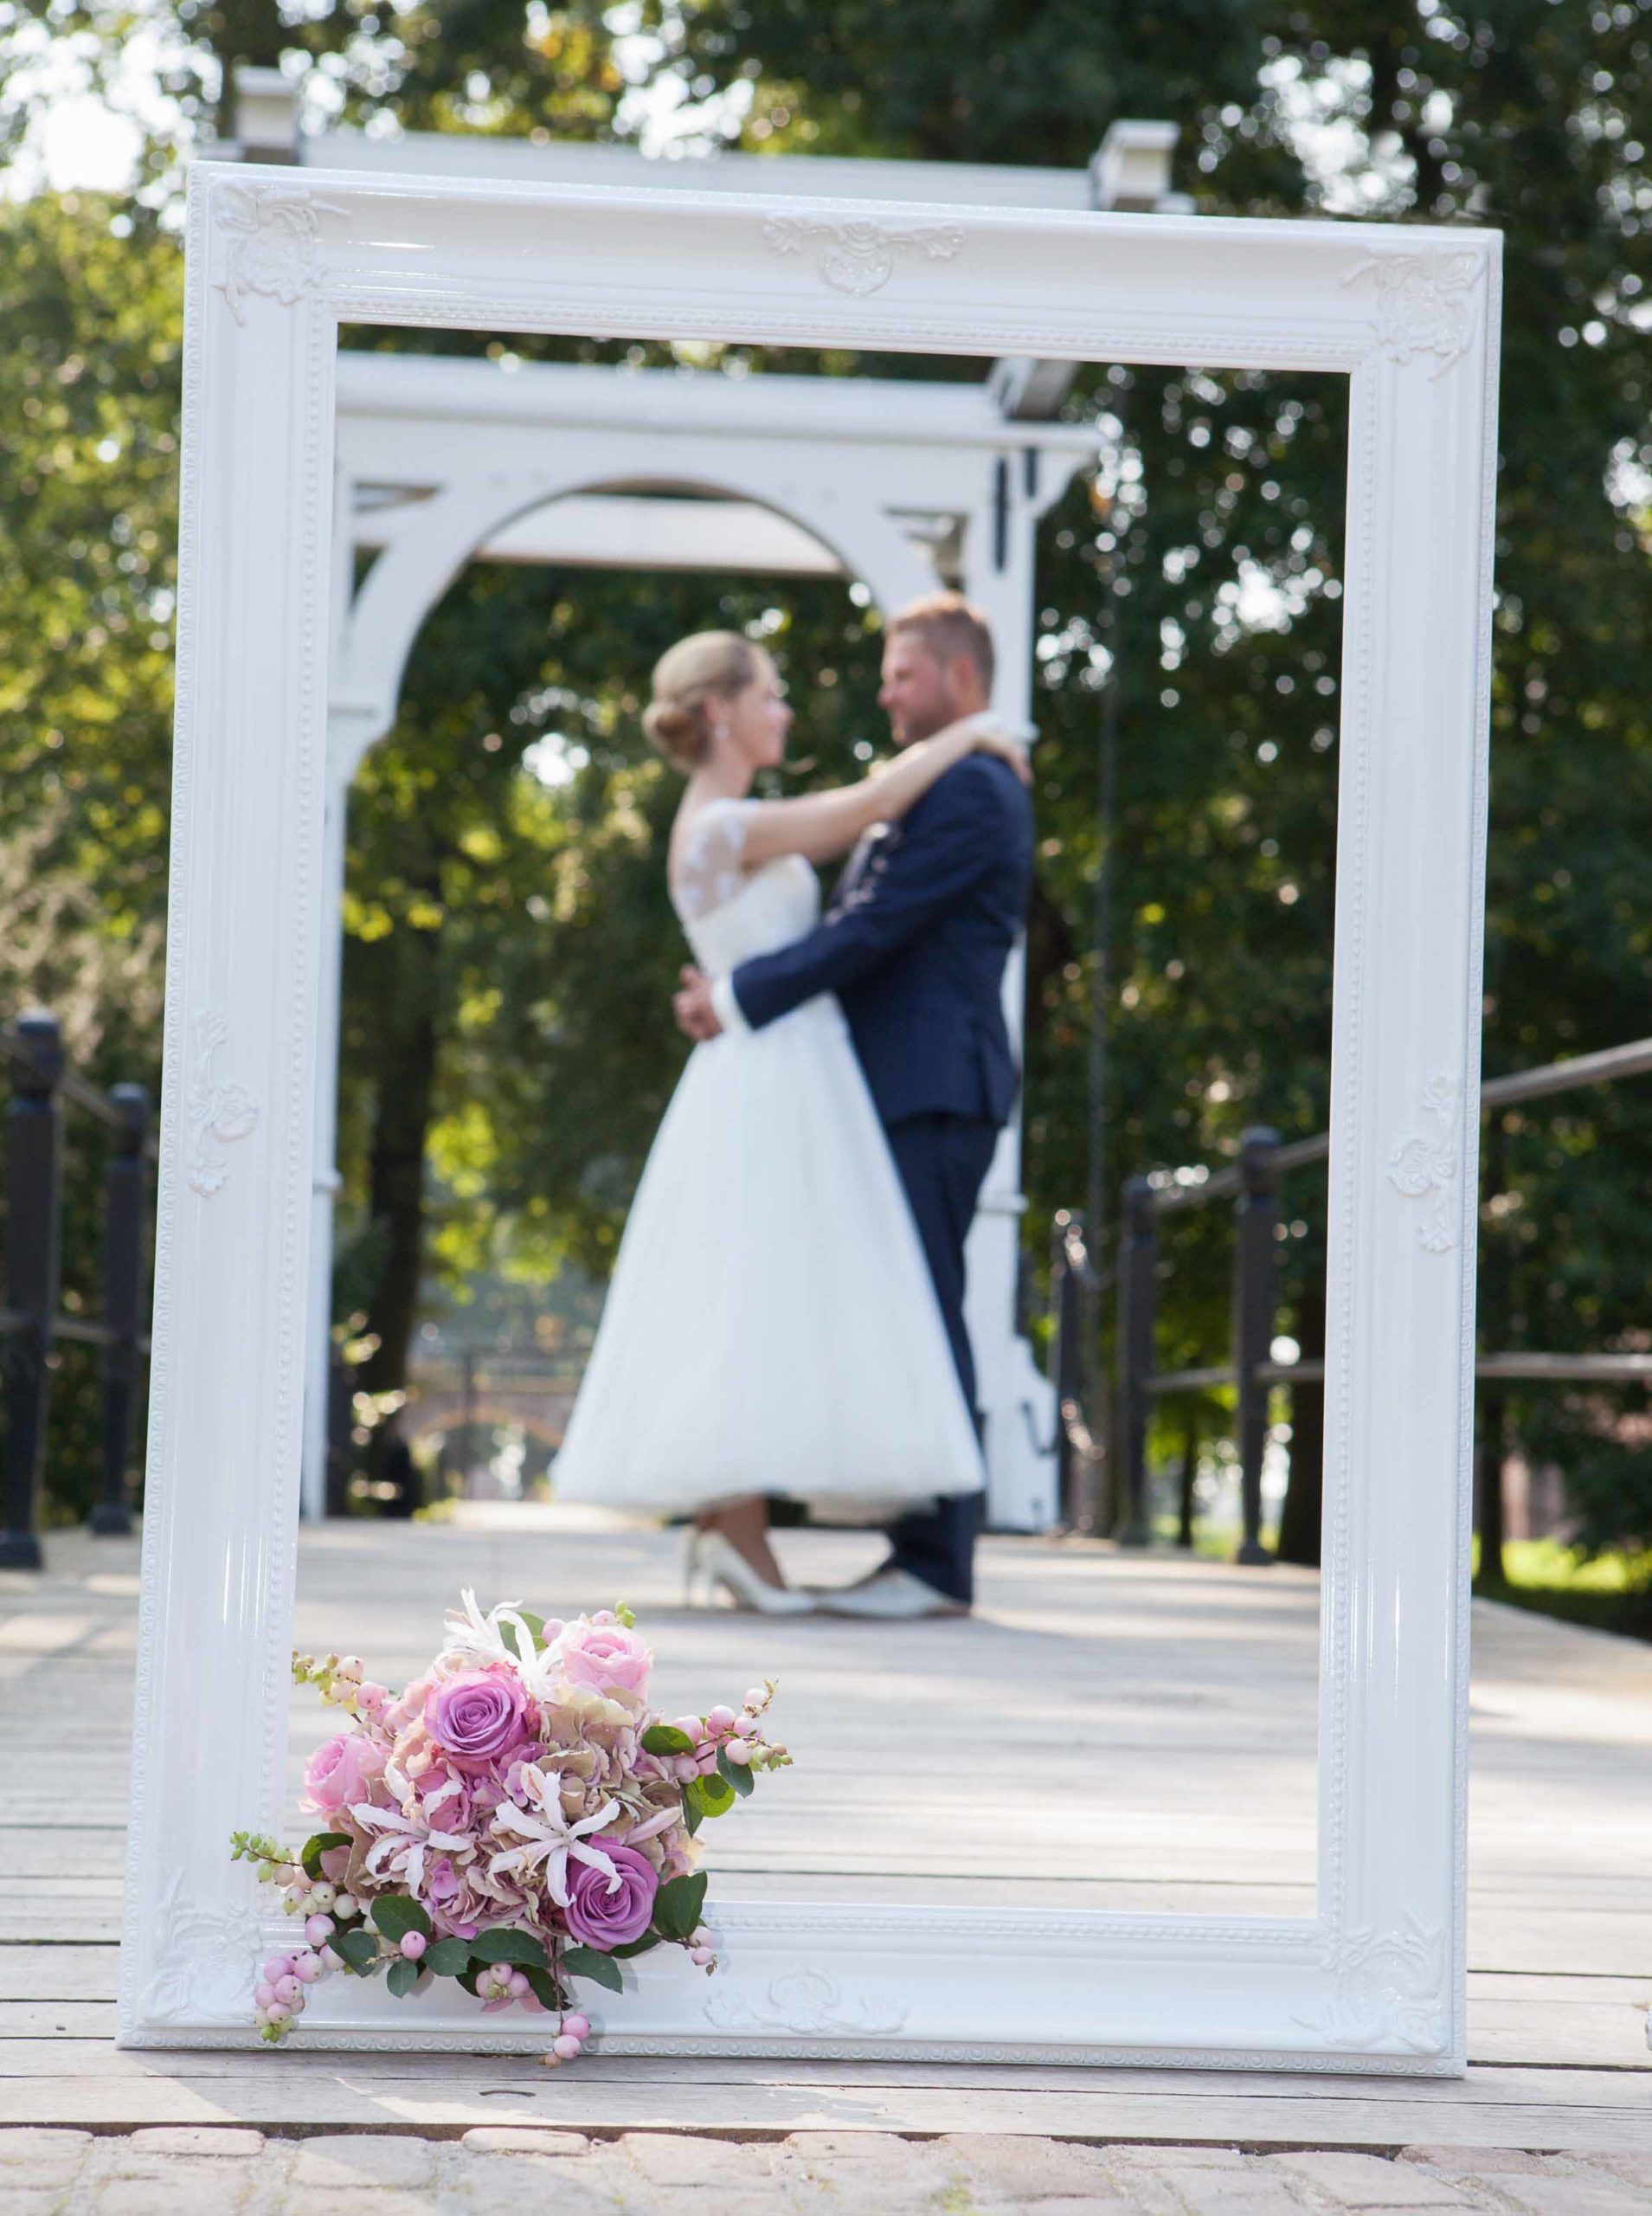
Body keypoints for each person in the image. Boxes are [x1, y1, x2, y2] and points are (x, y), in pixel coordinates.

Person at [549, 623, 1032, 1614]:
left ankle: (775, 1535)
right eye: (770, 693)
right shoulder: (726, 822)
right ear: (719, 710)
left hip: (821, 1067)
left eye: (899, 676)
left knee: (771, 1284)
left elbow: (871, 913)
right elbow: (872, 812)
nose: (792, 708)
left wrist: (731, 992)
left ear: (956, 674)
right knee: (756, 1286)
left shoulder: (950, 793)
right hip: (781, 1070)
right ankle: (744, 1529)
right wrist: (978, 731)